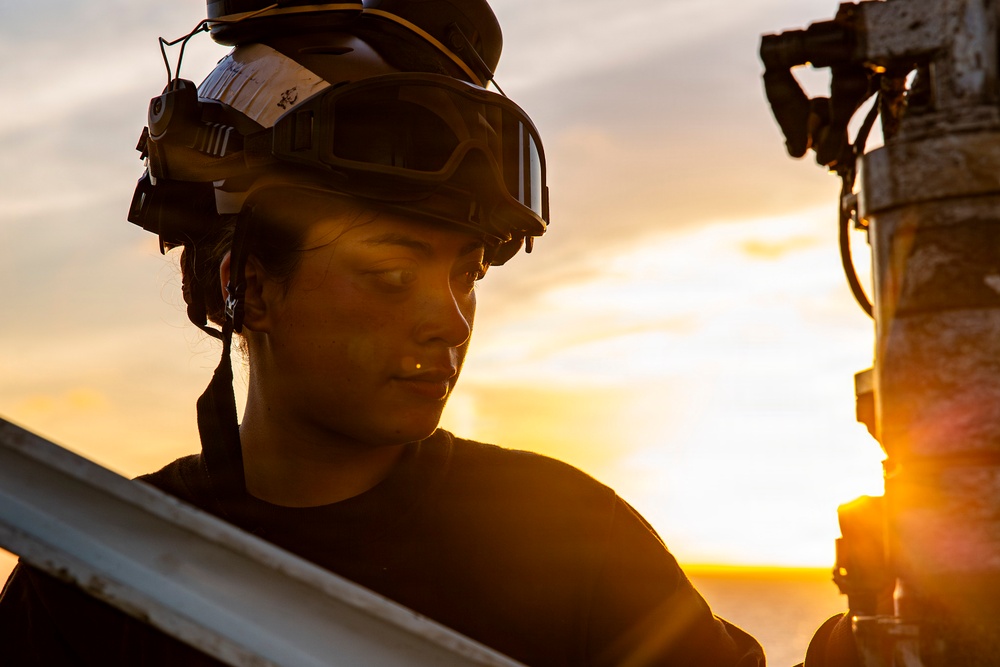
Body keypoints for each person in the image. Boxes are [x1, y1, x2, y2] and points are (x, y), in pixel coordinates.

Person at [0, 1, 765, 665]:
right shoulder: (89, 590)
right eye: (391, 274)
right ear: (250, 288)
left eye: (466, 273)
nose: (450, 317)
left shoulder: (568, 541)